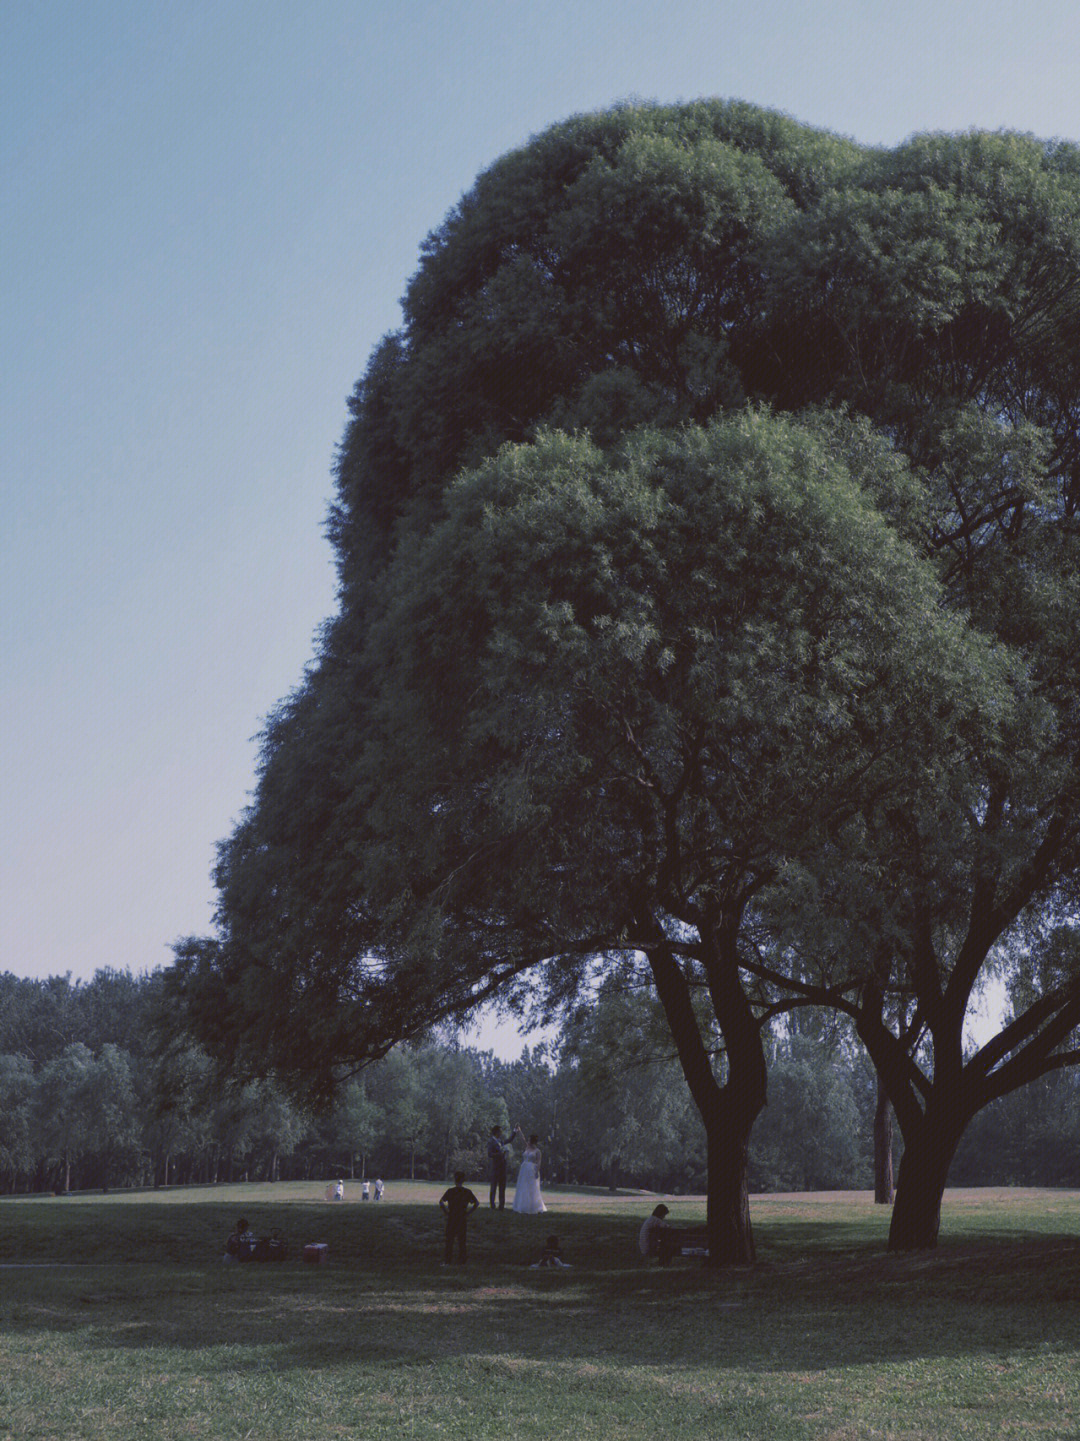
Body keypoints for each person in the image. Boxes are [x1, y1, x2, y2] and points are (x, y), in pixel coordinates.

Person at [439, 1171, 480, 1264]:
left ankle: (448, 1260)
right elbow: (476, 1203)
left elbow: (441, 1202)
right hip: (462, 1217)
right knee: (462, 1240)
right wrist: (468, 1213)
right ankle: (462, 1260)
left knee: (449, 1240)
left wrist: (446, 1212)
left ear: (454, 1180)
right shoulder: (467, 1192)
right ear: (463, 1180)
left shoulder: (450, 1191)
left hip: (452, 1216)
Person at [512, 1132, 546, 1214]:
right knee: (523, 1186)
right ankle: (522, 1205)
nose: (528, 1141)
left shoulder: (538, 1151)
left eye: (529, 1140)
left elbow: (538, 1162)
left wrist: (536, 1171)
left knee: (531, 1188)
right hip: (524, 1169)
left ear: (532, 1141)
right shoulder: (527, 1147)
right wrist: (519, 1131)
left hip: (531, 1169)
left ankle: (533, 1206)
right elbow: (522, 1140)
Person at [487, 1124, 514, 1210]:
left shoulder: (500, 1141)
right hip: (495, 1168)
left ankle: (501, 1205)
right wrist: (500, 1154)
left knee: (502, 1187)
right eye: (500, 1131)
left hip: (502, 1167)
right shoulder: (491, 1141)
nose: (501, 1132)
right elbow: (490, 1154)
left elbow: (509, 1140)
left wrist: (515, 1131)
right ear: (496, 1132)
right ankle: (492, 1205)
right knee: (493, 1187)